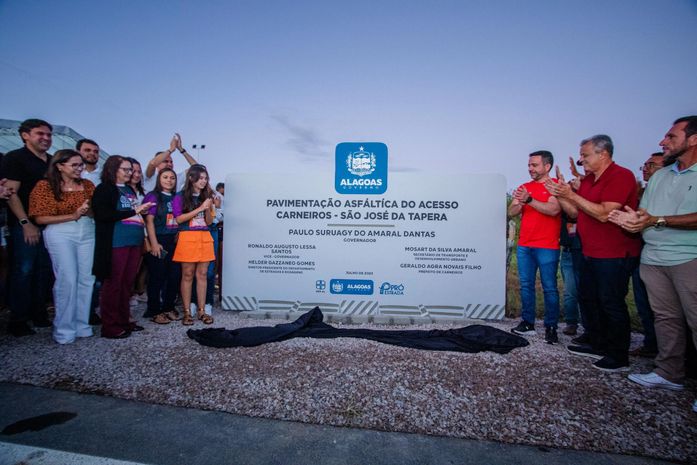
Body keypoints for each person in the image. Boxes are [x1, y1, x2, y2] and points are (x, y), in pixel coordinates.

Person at [608, 116, 697, 413]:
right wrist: (632, 220)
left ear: (693, 139)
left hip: (689, 257)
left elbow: (658, 218)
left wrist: (657, 220)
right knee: (666, 318)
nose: (663, 141)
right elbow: (646, 214)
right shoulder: (660, 176)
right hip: (654, 257)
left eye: (671, 137)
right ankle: (669, 373)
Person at [546, 135, 641, 372]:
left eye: (585, 155)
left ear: (603, 154)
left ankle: (618, 355)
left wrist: (571, 195)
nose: (581, 160)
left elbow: (603, 213)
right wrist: (560, 194)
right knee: (589, 298)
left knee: (611, 302)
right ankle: (597, 343)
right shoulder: (589, 180)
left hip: (614, 253)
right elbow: (575, 213)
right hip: (589, 251)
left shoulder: (621, 176)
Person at [28, 150, 95, 344]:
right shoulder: (45, 186)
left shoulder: (87, 185)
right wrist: (73, 215)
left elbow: (95, 211)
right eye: (74, 165)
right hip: (60, 232)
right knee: (67, 278)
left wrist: (89, 211)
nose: (79, 168)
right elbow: (40, 217)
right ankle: (64, 328)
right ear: (59, 166)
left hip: (87, 230)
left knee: (87, 278)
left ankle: (82, 324)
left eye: (81, 165)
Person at [0, 119, 54, 337]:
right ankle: (18, 319)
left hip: (48, 225)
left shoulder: (52, 161)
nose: (46, 138)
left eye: (49, 134)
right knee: (23, 270)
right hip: (24, 225)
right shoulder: (15, 158)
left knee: (43, 270)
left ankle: (38, 312)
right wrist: (25, 223)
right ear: (25, 135)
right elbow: (10, 193)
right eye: (40, 133)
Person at [92, 156, 154, 338]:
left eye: (131, 170)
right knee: (113, 283)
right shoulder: (104, 189)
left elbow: (133, 214)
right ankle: (110, 326)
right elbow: (103, 214)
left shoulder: (129, 190)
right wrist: (134, 211)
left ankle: (124, 320)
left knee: (127, 283)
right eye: (125, 169)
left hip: (134, 241)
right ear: (113, 169)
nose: (130, 173)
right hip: (116, 241)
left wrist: (139, 213)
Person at [509, 151, 561, 344]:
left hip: (547, 246)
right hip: (525, 245)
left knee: (549, 288)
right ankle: (527, 323)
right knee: (526, 285)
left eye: (535, 165)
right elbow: (512, 211)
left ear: (547, 166)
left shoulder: (555, 185)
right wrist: (519, 203)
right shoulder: (524, 187)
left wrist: (530, 200)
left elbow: (554, 209)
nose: (530, 168)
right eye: (529, 165)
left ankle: (551, 327)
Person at [629, 152, 665, 357]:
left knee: (666, 308)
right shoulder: (642, 192)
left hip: (671, 254)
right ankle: (651, 344)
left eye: (652, 165)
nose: (646, 169)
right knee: (644, 301)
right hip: (642, 251)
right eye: (645, 165)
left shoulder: (667, 190)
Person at [172, 165, 215, 326]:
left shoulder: (206, 196)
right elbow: (179, 219)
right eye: (200, 178)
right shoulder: (180, 196)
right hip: (187, 237)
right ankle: (187, 312)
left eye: (205, 178)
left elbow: (209, 222)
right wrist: (200, 208)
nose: (203, 181)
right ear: (191, 178)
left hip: (205, 236)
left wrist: (208, 208)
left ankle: (202, 311)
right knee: (187, 274)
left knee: (203, 274)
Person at [143, 169, 181, 324]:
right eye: (165, 177)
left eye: (172, 178)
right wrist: (153, 243)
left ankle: (168, 307)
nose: (169, 180)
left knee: (174, 276)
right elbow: (149, 221)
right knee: (157, 276)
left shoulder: (177, 197)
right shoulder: (153, 196)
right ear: (159, 179)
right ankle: (153, 310)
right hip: (159, 239)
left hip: (175, 240)